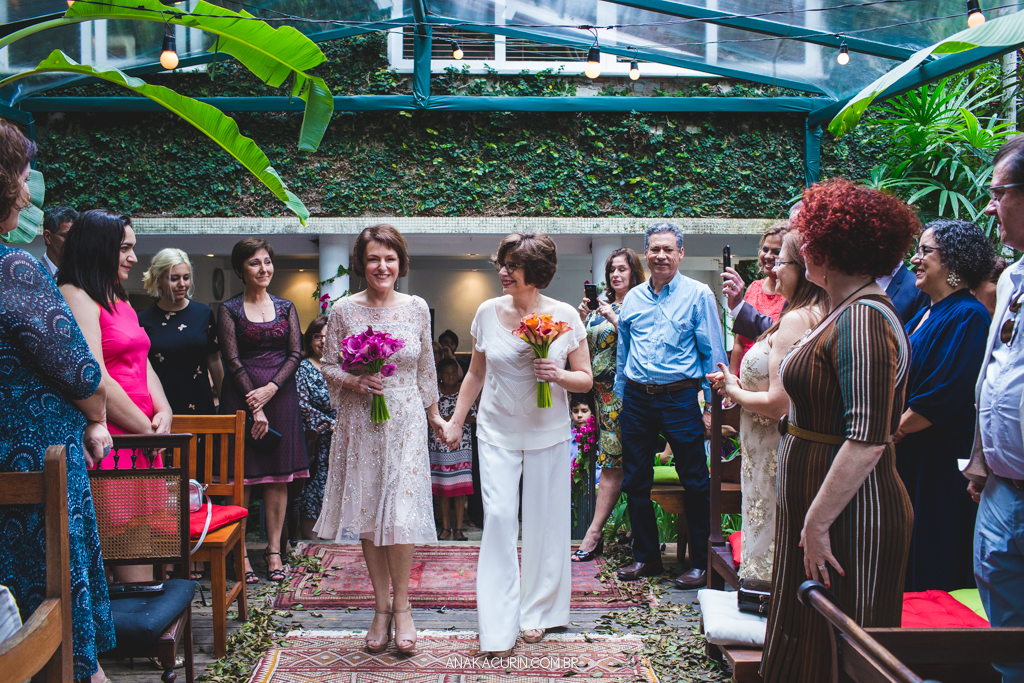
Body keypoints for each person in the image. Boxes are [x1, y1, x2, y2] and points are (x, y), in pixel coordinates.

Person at [761, 179, 917, 683]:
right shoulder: (844, 312)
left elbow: (869, 436)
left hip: (852, 514)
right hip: (823, 506)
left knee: (845, 647)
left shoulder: (864, 319)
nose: (800, 248)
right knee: (812, 639)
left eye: (806, 237)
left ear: (832, 246)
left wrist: (817, 522)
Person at [0, 121, 114, 683]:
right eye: (23, 176)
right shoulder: (13, 267)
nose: (28, 191)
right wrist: (95, 413)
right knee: (44, 602)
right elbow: (81, 371)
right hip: (27, 468)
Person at [441, 232, 592, 656]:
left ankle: (538, 612)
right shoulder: (488, 312)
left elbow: (586, 378)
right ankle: (497, 621)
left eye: (513, 265)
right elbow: (474, 374)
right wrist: (456, 422)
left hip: (549, 431)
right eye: (502, 264)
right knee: (502, 517)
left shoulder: (564, 315)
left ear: (536, 272)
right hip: (496, 431)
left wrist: (557, 375)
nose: (503, 272)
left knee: (545, 522)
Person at [315, 224, 445, 655]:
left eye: (389, 258)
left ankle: (404, 606)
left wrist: (435, 417)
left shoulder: (417, 307)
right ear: (361, 263)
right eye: (373, 258)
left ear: (400, 262)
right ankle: (380, 607)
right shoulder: (343, 310)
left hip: (405, 417)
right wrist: (355, 381)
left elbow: (426, 366)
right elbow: (328, 365)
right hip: (362, 419)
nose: (382, 266)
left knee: (402, 512)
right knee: (371, 512)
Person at [59, 209, 175, 584]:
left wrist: (165, 410)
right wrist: (146, 429)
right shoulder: (75, 295)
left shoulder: (118, 298)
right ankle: (137, 638)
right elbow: (96, 376)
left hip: (142, 439)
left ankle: (148, 631)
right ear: (98, 248)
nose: (134, 257)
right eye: (125, 248)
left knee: (145, 544)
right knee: (126, 550)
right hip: (117, 442)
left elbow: (143, 363)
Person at [707, 230, 826, 582]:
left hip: (773, 442)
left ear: (803, 269)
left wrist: (734, 390)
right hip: (763, 446)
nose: (773, 270)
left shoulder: (796, 318)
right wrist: (742, 384)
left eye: (782, 262)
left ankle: (767, 602)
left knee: (770, 531)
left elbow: (778, 403)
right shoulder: (806, 311)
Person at [614, 223, 727, 588]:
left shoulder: (698, 295)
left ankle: (700, 563)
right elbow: (623, 352)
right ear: (645, 254)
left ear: (680, 253)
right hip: (636, 398)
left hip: (680, 398)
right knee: (635, 480)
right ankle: (646, 558)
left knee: (695, 480)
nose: (660, 255)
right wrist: (620, 397)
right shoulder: (632, 299)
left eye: (668, 249)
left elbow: (713, 353)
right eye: (654, 249)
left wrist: (711, 407)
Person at [894, 220, 994, 592]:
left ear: (952, 260)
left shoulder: (968, 315)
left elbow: (941, 396)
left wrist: (891, 432)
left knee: (933, 554)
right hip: (913, 453)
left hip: (936, 460)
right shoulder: (928, 312)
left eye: (924, 251)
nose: (916, 259)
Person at [963, 134, 1024, 682]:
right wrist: (981, 457)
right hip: (1003, 487)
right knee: (1006, 626)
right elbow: (994, 374)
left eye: (998, 192)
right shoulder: (1011, 278)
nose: (989, 206)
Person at [218, 237, 308, 584]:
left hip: (281, 397)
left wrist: (271, 390)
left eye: (267, 261)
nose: (263, 268)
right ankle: (240, 552)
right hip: (240, 398)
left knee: (277, 477)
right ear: (241, 269)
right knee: (242, 477)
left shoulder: (286, 307)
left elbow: (295, 353)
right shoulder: (228, 309)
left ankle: (273, 551)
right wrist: (254, 403)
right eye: (255, 263)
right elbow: (231, 358)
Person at [722, 206, 930, 339]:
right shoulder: (834, 289)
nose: (801, 244)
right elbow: (780, 331)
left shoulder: (866, 303)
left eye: (807, 235)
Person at [573, 246, 646, 562]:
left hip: (628, 395)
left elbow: (644, 345)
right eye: (612, 270)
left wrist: (615, 319)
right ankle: (632, 532)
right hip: (600, 398)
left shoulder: (642, 303)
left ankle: (596, 532)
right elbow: (580, 349)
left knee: (619, 464)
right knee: (614, 462)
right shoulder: (601, 307)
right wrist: (580, 320)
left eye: (622, 269)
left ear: (633, 272)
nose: (616, 275)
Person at [139, 248, 224, 416]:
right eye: (174, 278)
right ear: (158, 279)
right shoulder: (143, 320)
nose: (182, 284)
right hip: (160, 407)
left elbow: (214, 360)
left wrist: (225, 403)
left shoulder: (204, 314)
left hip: (200, 404)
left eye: (186, 277)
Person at [727, 223, 787, 377]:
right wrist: (732, 380)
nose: (768, 256)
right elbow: (740, 340)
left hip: (774, 377)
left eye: (776, 252)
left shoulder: (793, 293)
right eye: (765, 249)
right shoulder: (754, 287)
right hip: (746, 377)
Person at [295, 316, 335, 541]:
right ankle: (311, 543)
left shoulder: (344, 368)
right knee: (314, 492)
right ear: (310, 340)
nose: (322, 341)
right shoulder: (303, 368)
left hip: (344, 440)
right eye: (317, 336)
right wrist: (330, 425)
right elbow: (302, 404)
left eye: (328, 336)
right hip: (316, 441)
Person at [429, 356, 475, 540]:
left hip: (461, 446)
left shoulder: (463, 391)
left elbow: (474, 416)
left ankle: (458, 528)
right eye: (446, 373)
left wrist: (453, 420)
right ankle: (446, 527)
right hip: (439, 446)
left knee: (460, 489)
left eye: (453, 373)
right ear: (439, 375)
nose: (450, 377)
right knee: (443, 487)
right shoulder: (435, 393)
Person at [41, 205, 77, 278]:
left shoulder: (80, 275)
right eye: (67, 237)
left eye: (76, 237)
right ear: (47, 236)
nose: (73, 242)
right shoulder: (34, 272)